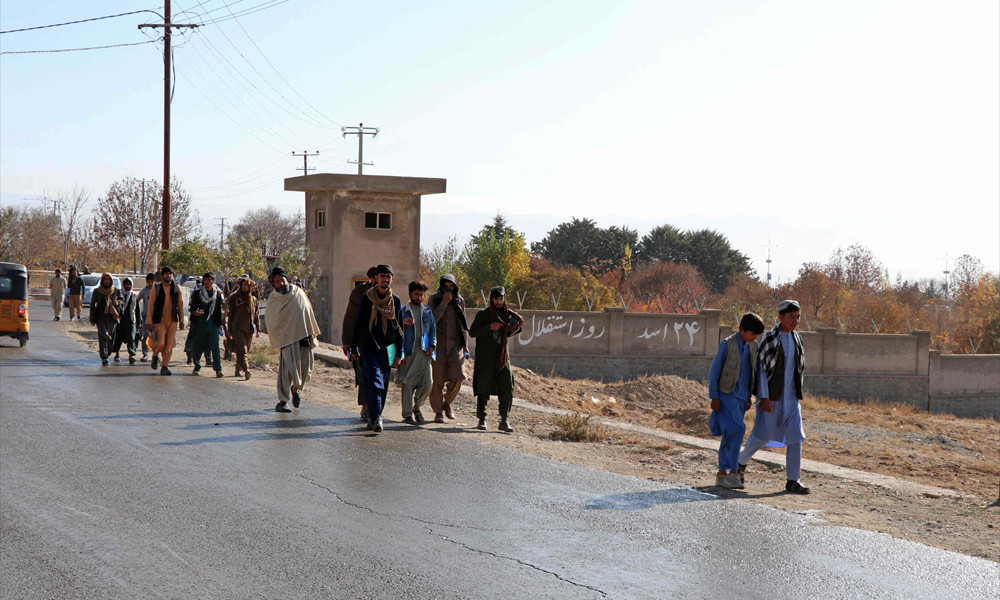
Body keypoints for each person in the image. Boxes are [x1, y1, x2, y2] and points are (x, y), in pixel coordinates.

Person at [737, 300, 811, 494]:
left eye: (798, 317)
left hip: (792, 399)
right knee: (761, 435)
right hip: (772, 398)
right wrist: (764, 396)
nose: (795, 321)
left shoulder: (797, 338)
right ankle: (740, 461)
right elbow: (761, 369)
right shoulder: (769, 338)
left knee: (796, 438)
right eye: (791, 317)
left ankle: (793, 480)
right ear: (780, 317)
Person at [708, 312, 765, 489]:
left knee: (729, 435)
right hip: (726, 396)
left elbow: (750, 373)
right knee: (739, 430)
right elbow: (715, 371)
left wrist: (748, 396)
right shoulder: (727, 344)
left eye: (756, 335)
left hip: (741, 397)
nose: (754, 337)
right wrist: (714, 396)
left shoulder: (751, 346)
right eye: (752, 333)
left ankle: (722, 474)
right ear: (742, 329)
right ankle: (733, 470)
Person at [350, 264, 402, 433]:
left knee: (384, 385)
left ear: (391, 280)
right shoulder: (367, 298)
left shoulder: (396, 301)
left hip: (388, 348)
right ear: (376, 278)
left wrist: (399, 353)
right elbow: (358, 324)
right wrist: (353, 347)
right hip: (368, 346)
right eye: (382, 276)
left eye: (388, 277)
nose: (385, 280)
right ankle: (377, 418)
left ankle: (374, 416)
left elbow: (399, 329)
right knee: (374, 382)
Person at [266, 266, 321, 413]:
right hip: (287, 340)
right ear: (274, 284)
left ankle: (295, 389)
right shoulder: (273, 299)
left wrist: (310, 333)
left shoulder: (299, 293)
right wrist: (281, 336)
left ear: (287, 279)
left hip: (304, 338)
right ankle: (282, 401)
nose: (281, 283)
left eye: (282, 280)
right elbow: (272, 321)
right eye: (277, 282)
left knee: (306, 372)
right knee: (287, 372)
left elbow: (307, 311)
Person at [469, 286, 523, 432]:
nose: (498, 302)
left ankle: (504, 420)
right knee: (483, 387)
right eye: (496, 299)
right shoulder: (483, 315)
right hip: (486, 358)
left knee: (507, 386)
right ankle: (482, 419)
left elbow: (514, 329)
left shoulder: (508, 315)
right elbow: (473, 332)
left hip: (503, 358)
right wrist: (489, 327)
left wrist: (514, 326)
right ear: (491, 299)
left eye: (501, 299)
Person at [428, 273, 470, 423]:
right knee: (437, 381)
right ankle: (438, 412)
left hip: (455, 346)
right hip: (437, 345)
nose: (448, 289)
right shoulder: (434, 299)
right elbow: (431, 320)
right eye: (446, 286)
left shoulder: (460, 301)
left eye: (451, 286)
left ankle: (447, 403)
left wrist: (465, 346)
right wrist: (444, 303)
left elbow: (462, 323)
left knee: (459, 377)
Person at [397, 281, 436, 425]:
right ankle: (407, 415)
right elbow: (395, 332)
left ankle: (417, 407)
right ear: (410, 294)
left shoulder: (427, 311)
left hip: (424, 354)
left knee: (428, 383)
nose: (419, 297)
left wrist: (433, 345)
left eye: (421, 295)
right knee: (408, 383)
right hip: (408, 354)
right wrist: (401, 356)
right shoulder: (402, 311)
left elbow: (433, 330)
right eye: (416, 294)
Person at [341, 266, 377, 421]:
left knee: (377, 376)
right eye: (379, 277)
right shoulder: (359, 293)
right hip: (361, 340)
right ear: (373, 278)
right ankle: (366, 408)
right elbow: (350, 317)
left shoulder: (388, 295)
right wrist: (346, 342)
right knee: (363, 374)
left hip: (379, 343)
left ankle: (374, 408)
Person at [145, 266, 185, 376]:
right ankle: (155, 355)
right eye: (166, 274)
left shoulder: (177, 288)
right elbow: (151, 305)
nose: (169, 275)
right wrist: (149, 322)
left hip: (172, 321)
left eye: (170, 273)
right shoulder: (156, 288)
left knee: (169, 345)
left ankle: (165, 366)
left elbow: (180, 305)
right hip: (159, 321)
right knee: (160, 342)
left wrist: (181, 320)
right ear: (162, 276)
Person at [187, 272, 225, 377]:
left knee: (215, 346)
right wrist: (195, 312)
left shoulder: (217, 294)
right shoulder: (197, 293)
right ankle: (197, 366)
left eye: (209, 280)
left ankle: (218, 369)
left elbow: (218, 310)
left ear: (213, 281)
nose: (207, 282)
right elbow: (191, 307)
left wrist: (220, 324)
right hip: (199, 323)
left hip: (212, 323)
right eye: (205, 280)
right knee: (197, 346)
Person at [226, 275, 260, 380]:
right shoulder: (235, 298)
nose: (244, 287)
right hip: (237, 328)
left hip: (249, 330)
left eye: (246, 285)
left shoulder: (253, 299)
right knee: (243, 350)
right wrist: (230, 329)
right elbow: (230, 314)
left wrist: (257, 329)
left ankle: (238, 369)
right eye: (242, 285)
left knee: (243, 350)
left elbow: (256, 314)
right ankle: (246, 370)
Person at [89, 273, 123, 366]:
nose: (107, 281)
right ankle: (104, 357)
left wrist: (117, 303)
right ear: (102, 280)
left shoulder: (116, 291)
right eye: (105, 279)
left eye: (108, 279)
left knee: (111, 338)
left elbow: (122, 301)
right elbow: (92, 305)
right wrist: (91, 317)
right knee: (103, 335)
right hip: (100, 317)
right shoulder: (97, 291)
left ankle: (107, 354)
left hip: (112, 317)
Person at [111, 277, 143, 364]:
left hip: (131, 320)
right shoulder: (119, 294)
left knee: (131, 338)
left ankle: (131, 356)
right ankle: (117, 354)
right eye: (126, 284)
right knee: (118, 337)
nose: (127, 286)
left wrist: (139, 322)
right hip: (120, 319)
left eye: (129, 284)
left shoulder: (134, 296)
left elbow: (137, 310)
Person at [135, 273, 155, 362]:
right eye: (149, 282)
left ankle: (156, 355)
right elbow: (136, 300)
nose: (150, 284)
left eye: (152, 282)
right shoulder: (144, 291)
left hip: (156, 317)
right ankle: (145, 354)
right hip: (146, 316)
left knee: (156, 336)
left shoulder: (158, 290)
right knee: (146, 336)